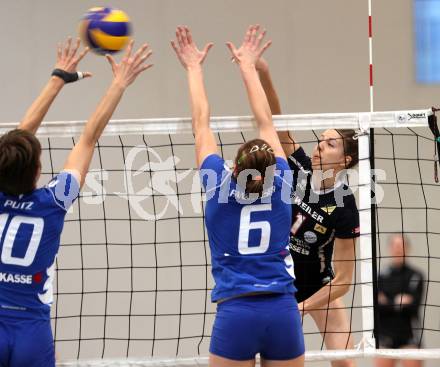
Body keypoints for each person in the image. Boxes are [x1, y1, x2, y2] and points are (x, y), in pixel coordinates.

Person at [0, 38, 152, 367]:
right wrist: (120, 83)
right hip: (31, 330)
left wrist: (57, 77)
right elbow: (89, 136)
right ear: (38, 170)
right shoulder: (54, 201)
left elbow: (18, 139)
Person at [171, 25, 304, 367]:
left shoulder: (218, 185)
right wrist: (248, 66)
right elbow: (266, 122)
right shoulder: (283, 182)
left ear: (234, 169)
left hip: (237, 311)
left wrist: (194, 68)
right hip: (282, 311)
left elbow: (201, 123)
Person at [253, 35, 359, 367]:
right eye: (320, 140)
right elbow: (275, 119)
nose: (318, 146)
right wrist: (262, 71)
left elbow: (343, 281)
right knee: (265, 359)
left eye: (329, 144)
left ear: (344, 161)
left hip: (317, 286)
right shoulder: (297, 168)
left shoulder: (344, 206)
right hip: (278, 280)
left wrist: (304, 306)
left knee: (344, 360)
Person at [374, 235, 425, 367]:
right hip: (385, 336)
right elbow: (378, 307)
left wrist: (387, 301)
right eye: (395, 246)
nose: (398, 249)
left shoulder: (416, 275)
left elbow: (413, 307)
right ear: (390, 248)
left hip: (409, 336)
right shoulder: (380, 276)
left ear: (407, 248)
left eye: (401, 246)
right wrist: (399, 301)